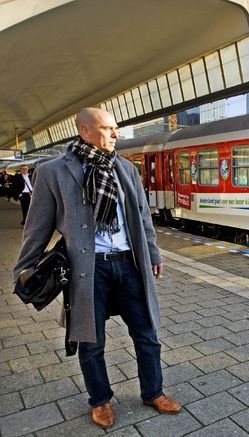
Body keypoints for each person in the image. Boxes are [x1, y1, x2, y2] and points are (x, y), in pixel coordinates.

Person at [14, 107, 180, 429]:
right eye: (108, 129)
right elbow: (37, 226)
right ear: (85, 131)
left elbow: (143, 218)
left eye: (116, 128)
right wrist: (24, 269)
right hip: (88, 270)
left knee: (147, 333)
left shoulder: (125, 169)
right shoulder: (53, 172)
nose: (116, 134)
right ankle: (100, 401)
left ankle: (154, 392)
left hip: (129, 264)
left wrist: (154, 254)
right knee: (91, 341)